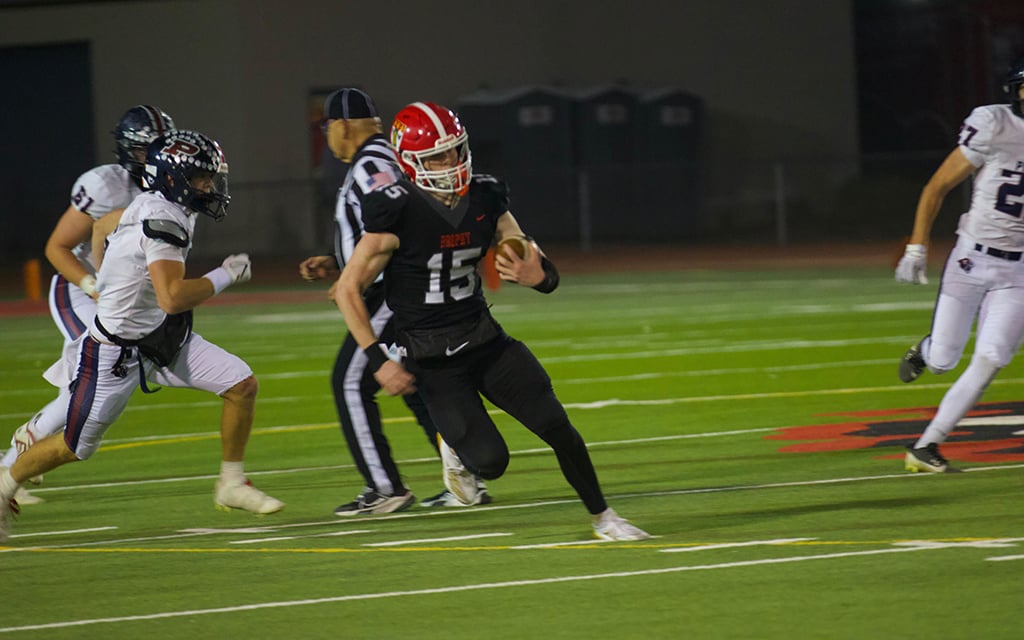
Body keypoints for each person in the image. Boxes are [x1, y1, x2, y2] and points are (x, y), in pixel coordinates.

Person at [332, 101, 650, 541]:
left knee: (557, 425)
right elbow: (347, 290)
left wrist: (541, 275)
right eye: (437, 156)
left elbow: (522, 247)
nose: (450, 163)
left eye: (455, 150)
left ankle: (604, 517)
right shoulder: (394, 209)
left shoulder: (484, 194)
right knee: (492, 463)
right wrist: (377, 360)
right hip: (432, 358)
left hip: (485, 340)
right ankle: (456, 452)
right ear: (409, 162)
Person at [0, 130, 283, 542]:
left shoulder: (157, 205)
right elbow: (172, 297)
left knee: (241, 384)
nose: (210, 186)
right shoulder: (163, 218)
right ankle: (5, 484)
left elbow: (104, 228)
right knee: (75, 447)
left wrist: (112, 276)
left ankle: (232, 482)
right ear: (175, 178)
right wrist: (225, 275)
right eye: (203, 178)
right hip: (115, 352)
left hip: (158, 338)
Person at [299, 88, 489, 515]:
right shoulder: (387, 158)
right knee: (413, 388)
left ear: (341, 126)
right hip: (399, 283)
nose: (327, 137)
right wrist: (338, 262)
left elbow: (396, 226)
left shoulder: (372, 165)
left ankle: (386, 488)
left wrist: (357, 275)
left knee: (350, 382)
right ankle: (467, 480)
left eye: (327, 128)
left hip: (392, 291)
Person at [0, 105, 175, 504]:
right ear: (130, 150)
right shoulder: (104, 185)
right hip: (80, 288)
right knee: (90, 379)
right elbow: (57, 247)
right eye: (151, 149)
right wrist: (92, 283)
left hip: (123, 296)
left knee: (87, 385)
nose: (160, 156)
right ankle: (14, 464)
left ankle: (20, 453)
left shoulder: (165, 184)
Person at [895, 55, 1024, 473]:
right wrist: (916, 246)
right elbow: (937, 186)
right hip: (973, 257)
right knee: (943, 361)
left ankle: (927, 446)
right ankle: (927, 349)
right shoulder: (994, 124)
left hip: (1020, 271)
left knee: (990, 359)